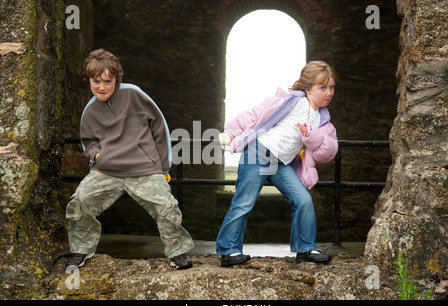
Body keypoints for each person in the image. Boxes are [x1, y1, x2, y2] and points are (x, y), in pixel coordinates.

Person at [65, 49, 194, 270]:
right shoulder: (90, 111)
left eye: (107, 81)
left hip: (145, 168)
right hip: (107, 170)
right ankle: (81, 250)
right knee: (79, 202)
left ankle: (178, 253)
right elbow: (88, 141)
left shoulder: (134, 94)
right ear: (89, 80)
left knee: (167, 206)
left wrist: (163, 166)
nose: (102, 87)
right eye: (96, 81)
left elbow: (159, 126)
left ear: (117, 78)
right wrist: (98, 155)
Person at [216, 61, 338, 267]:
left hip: (282, 164)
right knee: (244, 202)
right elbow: (256, 113)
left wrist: (313, 136)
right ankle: (229, 251)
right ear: (308, 88)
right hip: (258, 153)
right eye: (322, 87)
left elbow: (328, 152)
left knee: (303, 200)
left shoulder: (324, 121)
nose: (329, 93)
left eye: (332, 87)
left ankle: (305, 248)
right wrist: (231, 131)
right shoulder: (291, 101)